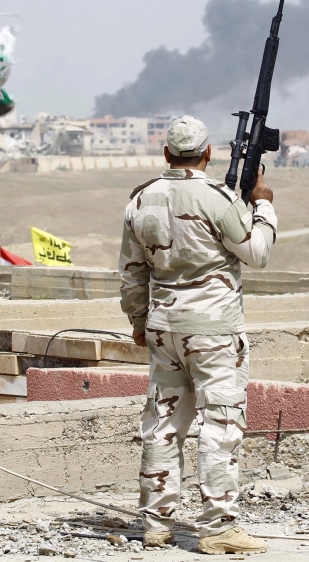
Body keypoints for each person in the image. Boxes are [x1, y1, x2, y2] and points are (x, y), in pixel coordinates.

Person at [118, 115, 278, 555]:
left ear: (167, 154)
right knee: (220, 426)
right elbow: (257, 253)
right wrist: (261, 204)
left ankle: (155, 523)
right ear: (208, 154)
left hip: (164, 329)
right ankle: (219, 528)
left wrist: (137, 322)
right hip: (213, 332)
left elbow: (132, 274)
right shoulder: (219, 199)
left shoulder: (141, 200)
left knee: (163, 424)